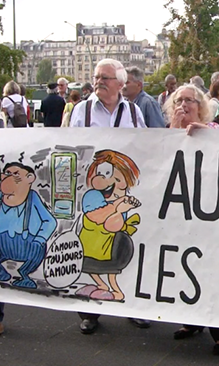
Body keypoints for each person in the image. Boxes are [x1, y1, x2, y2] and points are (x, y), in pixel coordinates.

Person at [69, 59, 148, 334]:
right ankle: (89, 312)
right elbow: (69, 144)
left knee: (125, 246)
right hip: (92, 190)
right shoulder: (82, 110)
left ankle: (132, 306)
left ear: (120, 83)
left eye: (105, 77)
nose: (99, 81)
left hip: (124, 189)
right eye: (96, 76)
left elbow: (146, 145)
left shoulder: (134, 112)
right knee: (91, 246)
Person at [165, 85, 219, 356]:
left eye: (189, 100)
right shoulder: (167, 130)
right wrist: (173, 128)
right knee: (185, 268)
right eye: (178, 100)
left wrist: (202, 133)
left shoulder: (214, 130)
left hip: (209, 214)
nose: (183, 105)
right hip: (181, 214)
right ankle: (191, 321)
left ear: (200, 105)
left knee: (213, 271)